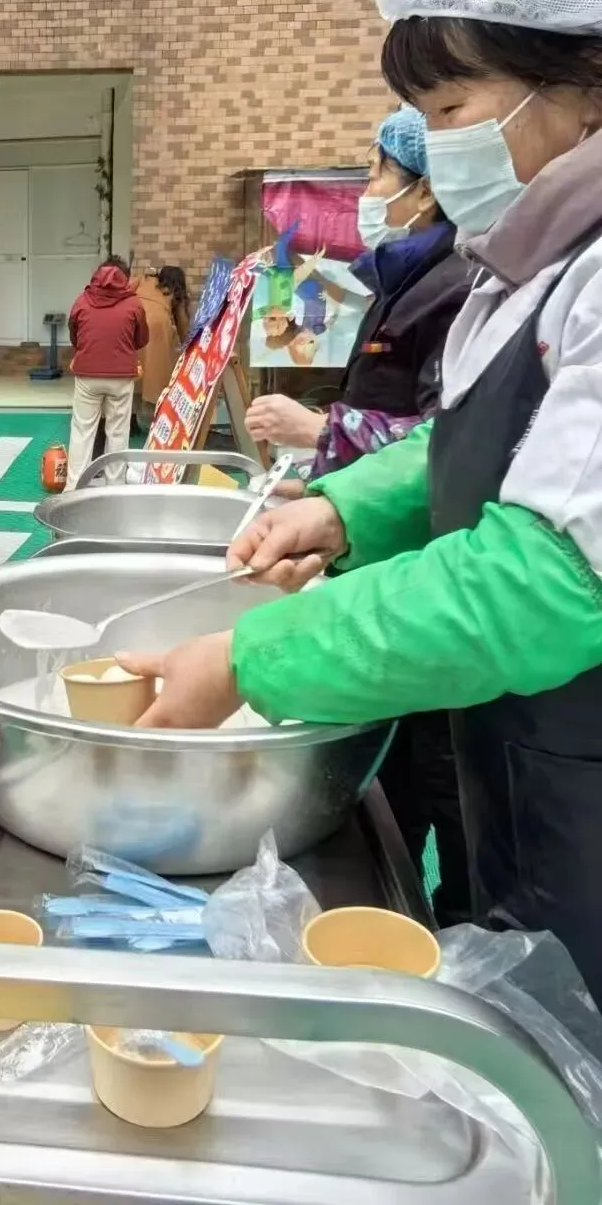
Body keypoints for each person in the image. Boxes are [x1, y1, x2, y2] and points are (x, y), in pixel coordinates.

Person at [120, 0, 602, 1004]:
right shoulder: (533, 265)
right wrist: (348, 508)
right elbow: (482, 446)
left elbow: (551, 577)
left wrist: (247, 660)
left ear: (584, 86)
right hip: (533, 766)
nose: (435, 145)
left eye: (452, 106)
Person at [247, 106, 474, 925]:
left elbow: (453, 438)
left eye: (379, 172)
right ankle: (387, 914)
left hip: (435, 566)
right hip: (383, 555)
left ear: (427, 186)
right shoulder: (402, 278)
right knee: (392, 767)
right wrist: (331, 494)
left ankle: (456, 927)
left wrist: (324, 432)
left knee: (447, 778)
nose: (367, 191)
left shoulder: (459, 285)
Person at [65, 256, 148, 490]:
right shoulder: (134, 304)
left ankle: (74, 487)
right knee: (118, 432)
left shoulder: (82, 301)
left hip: (87, 375)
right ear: (125, 278)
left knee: (82, 430)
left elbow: (74, 335)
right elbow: (142, 339)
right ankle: (115, 486)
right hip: (121, 377)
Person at [133, 266, 190, 432]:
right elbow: (183, 327)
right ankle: (153, 422)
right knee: (156, 373)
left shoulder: (145, 280)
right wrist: (188, 345)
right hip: (157, 330)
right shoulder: (174, 292)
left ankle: (132, 417)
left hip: (131, 324)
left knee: (134, 372)